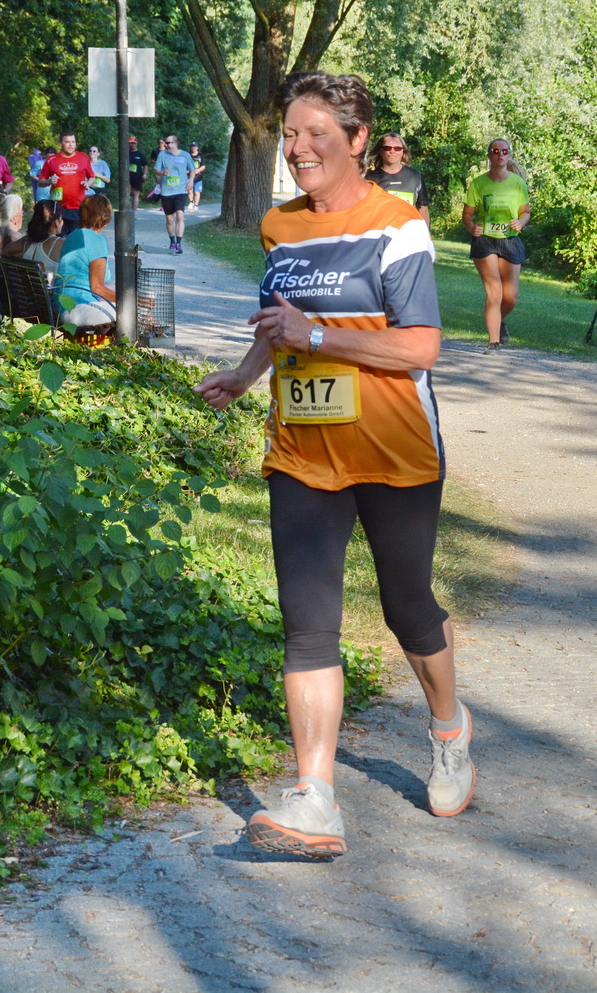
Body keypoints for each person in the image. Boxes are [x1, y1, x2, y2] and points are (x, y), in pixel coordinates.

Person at [193, 72, 471, 860]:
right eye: (289, 133)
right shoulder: (279, 227)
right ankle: (315, 797)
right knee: (308, 625)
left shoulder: (397, 226)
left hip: (394, 452)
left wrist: (317, 337)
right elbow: (279, 323)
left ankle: (449, 729)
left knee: (407, 607)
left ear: (357, 140)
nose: (297, 147)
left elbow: (420, 346)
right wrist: (246, 372)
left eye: (315, 133)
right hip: (303, 451)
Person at [461, 138, 530, 353]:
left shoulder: (517, 183)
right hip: (485, 240)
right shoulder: (478, 184)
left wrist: (521, 222)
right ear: (489, 155)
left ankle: (498, 321)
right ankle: (493, 342)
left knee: (511, 298)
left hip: (510, 240)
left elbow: (525, 212)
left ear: (509, 155)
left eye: (504, 151)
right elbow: (467, 214)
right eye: (495, 151)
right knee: (494, 292)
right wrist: (471, 227)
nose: (500, 154)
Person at [55, 194, 117, 329]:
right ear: (105, 218)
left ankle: (102, 341)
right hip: (79, 307)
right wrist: (130, 301)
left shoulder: (72, 236)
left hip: (63, 306)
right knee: (133, 309)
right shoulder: (96, 240)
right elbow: (97, 289)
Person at [364, 132, 430, 223]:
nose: (392, 151)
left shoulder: (415, 176)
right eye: (387, 148)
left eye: (397, 148)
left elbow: (423, 208)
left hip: (408, 229)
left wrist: (425, 231)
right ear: (380, 151)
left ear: (403, 152)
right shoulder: (369, 179)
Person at [35, 132, 95, 228]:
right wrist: (49, 181)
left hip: (78, 207)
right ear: (60, 144)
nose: (71, 145)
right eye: (67, 142)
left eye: (73, 142)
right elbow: (40, 182)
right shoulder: (51, 159)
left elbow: (92, 177)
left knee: (76, 236)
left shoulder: (83, 157)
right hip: (58, 207)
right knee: (58, 236)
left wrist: (88, 184)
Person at [2, 200, 64, 279]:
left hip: (26, 286)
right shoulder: (60, 244)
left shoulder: (26, 241)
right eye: (61, 219)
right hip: (51, 287)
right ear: (56, 222)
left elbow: (5, 252)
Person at [155, 135, 194, 255]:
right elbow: (156, 170)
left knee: (180, 216)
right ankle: (172, 241)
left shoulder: (185, 155)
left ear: (175, 143)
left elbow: (192, 169)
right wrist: (163, 172)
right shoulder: (162, 155)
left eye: (168, 143)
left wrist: (191, 181)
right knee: (169, 219)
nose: (166, 144)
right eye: (165, 142)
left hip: (181, 190)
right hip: (167, 191)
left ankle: (179, 243)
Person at [127, 135, 147, 210]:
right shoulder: (126, 153)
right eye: (130, 143)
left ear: (136, 143)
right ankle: (126, 210)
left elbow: (145, 165)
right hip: (127, 177)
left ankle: (134, 212)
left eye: (133, 143)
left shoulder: (140, 154)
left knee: (135, 194)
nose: (132, 144)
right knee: (127, 193)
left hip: (137, 177)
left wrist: (144, 174)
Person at [188, 142, 207, 209]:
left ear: (197, 147)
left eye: (195, 146)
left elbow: (204, 166)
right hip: (189, 176)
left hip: (198, 177)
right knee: (189, 190)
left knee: (197, 192)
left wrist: (198, 170)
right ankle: (191, 202)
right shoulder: (188, 155)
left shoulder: (200, 156)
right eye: (192, 146)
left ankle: (196, 205)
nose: (193, 148)